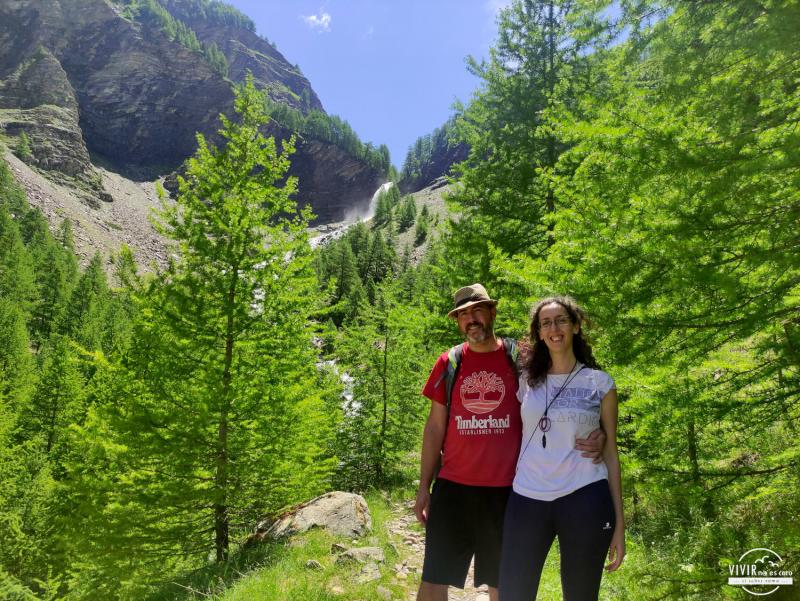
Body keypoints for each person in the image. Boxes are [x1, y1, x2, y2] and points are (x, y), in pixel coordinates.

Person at [414, 284, 605, 601]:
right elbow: (434, 428)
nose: (471, 319)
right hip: (453, 487)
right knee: (433, 580)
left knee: (503, 585)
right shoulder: (449, 363)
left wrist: (599, 431)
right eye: (463, 315)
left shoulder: (521, 357)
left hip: (509, 492)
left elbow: (561, 396)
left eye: (477, 311)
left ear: (492, 312)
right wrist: (424, 486)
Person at [498, 296, 625, 601]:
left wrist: (619, 523)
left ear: (576, 326)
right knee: (513, 594)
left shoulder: (600, 383)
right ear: (539, 333)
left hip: (585, 497)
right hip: (527, 497)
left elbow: (610, 452)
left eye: (561, 320)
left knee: (581, 596)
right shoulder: (526, 379)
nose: (554, 328)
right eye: (546, 323)